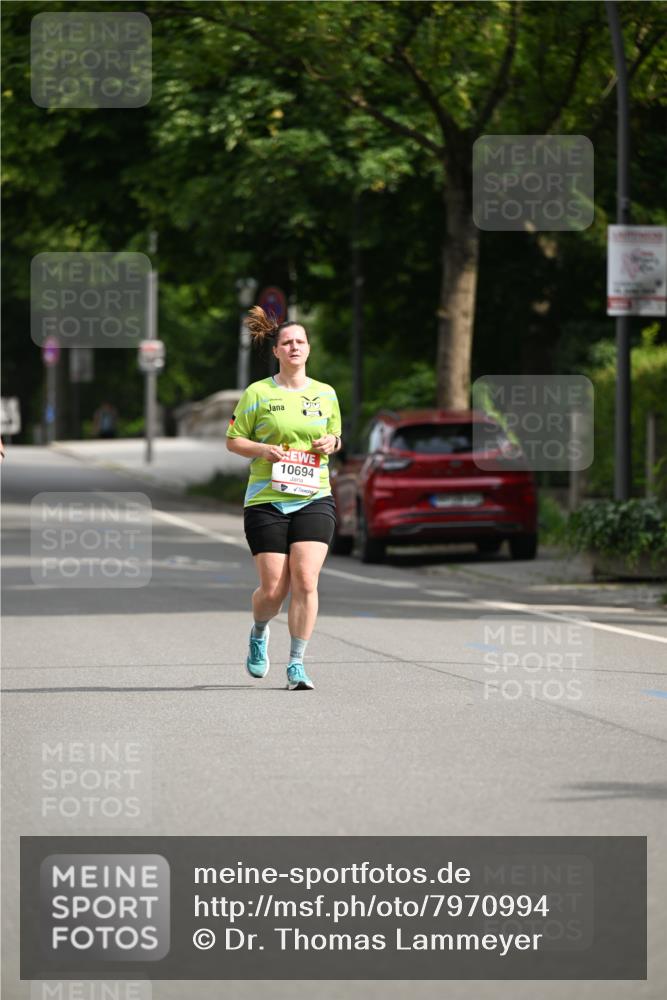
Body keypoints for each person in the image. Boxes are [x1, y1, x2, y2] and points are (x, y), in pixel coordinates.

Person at [226, 306, 343, 691]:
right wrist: (262, 451)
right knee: (274, 589)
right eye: (287, 342)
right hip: (266, 499)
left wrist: (333, 442)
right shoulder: (258, 393)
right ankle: (259, 631)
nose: (295, 347)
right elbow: (233, 440)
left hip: (314, 496)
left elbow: (336, 438)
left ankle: (297, 664)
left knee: (306, 580)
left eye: (301, 341)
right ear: (276, 350)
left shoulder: (325, 394)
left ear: (309, 349)